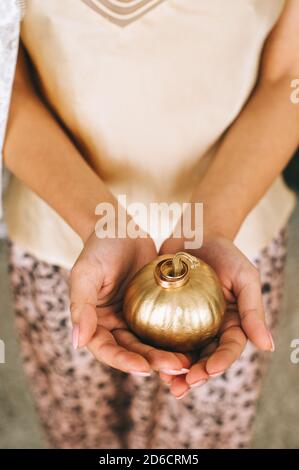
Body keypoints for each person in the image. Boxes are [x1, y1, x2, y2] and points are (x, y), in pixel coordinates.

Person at [1, 0, 299, 449]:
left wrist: (212, 225)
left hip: (231, 254)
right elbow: (7, 85)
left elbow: (289, 79)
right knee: (86, 435)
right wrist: (99, 221)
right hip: (58, 243)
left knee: (198, 442)